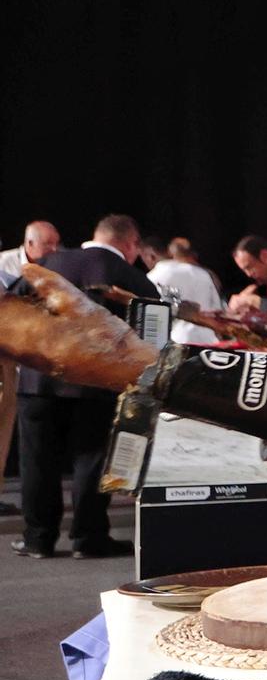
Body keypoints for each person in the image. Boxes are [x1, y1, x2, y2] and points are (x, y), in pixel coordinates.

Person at [13, 214, 158, 559]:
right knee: (91, 460)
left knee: (36, 461)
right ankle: (88, 537)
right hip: (95, 383)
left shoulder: (47, 262)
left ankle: (38, 539)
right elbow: (153, 331)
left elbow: (11, 304)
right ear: (130, 243)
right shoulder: (131, 276)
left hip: (37, 381)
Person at [0, 222, 63, 514]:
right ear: (29, 243)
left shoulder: (56, 267)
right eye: (48, 244)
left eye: (56, 243)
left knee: (5, 422)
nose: (54, 250)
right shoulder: (5, 265)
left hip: (23, 358)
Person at [147, 237, 227, 345]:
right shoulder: (205, 275)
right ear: (193, 254)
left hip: (176, 340)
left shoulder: (160, 273)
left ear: (170, 253)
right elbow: (218, 311)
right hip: (208, 340)